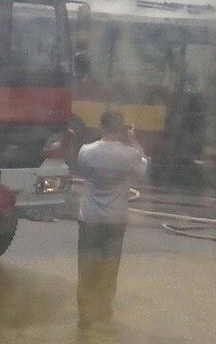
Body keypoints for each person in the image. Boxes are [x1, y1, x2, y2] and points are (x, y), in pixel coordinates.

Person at [75, 110, 148, 330]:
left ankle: (84, 315)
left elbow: (84, 172)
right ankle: (104, 309)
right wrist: (135, 141)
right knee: (109, 265)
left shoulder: (86, 151)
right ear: (121, 128)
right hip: (116, 219)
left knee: (86, 264)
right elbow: (143, 168)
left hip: (89, 217)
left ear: (101, 126)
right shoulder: (128, 154)